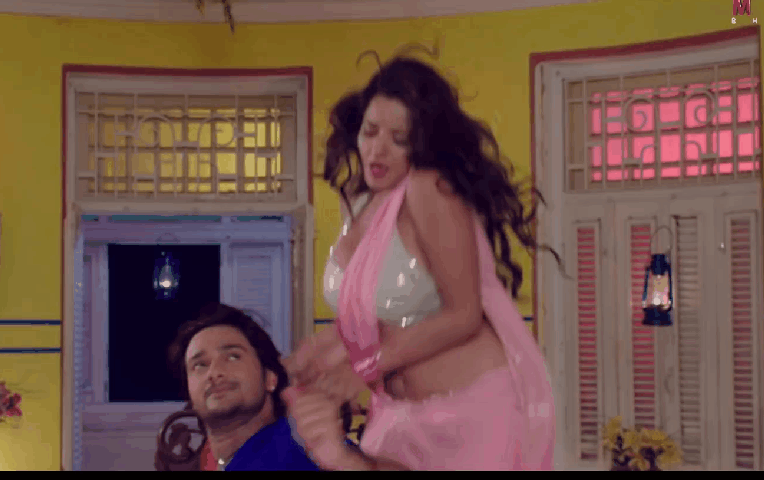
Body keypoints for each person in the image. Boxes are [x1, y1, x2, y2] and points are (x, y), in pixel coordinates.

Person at [283, 48, 558, 470]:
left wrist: (362, 368)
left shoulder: (428, 188)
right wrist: (310, 356)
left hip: (472, 417)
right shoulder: (358, 204)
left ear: (423, 144)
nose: (378, 150)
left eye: (400, 139)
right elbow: (374, 320)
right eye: (370, 131)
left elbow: (464, 314)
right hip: (398, 419)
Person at [166, 302, 320, 471]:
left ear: (270, 378)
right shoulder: (215, 459)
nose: (214, 372)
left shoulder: (305, 447)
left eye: (233, 357)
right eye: (200, 365)